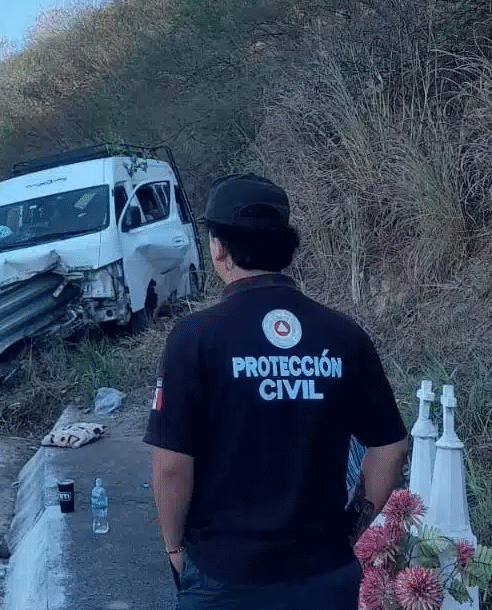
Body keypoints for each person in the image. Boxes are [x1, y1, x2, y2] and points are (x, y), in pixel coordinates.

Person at [144, 173, 410, 609]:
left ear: (218, 248)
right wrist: (352, 528)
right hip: (324, 573)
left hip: (224, 576)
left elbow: (172, 467)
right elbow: (390, 448)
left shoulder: (195, 338)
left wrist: (175, 549)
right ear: (286, 246)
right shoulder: (343, 336)